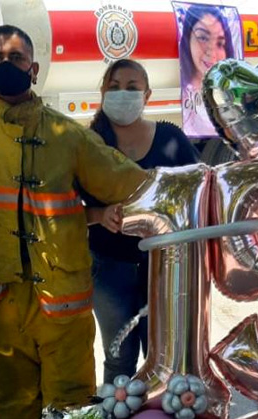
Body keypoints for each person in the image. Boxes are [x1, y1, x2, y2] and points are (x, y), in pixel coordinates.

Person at [0, 25, 148, 418]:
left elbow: (130, 182)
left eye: (16, 58)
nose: (6, 64)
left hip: (63, 300)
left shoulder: (67, 135)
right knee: (11, 407)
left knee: (73, 407)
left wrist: (200, 186)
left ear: (34, 69)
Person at [82, 59, 199, 383]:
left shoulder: (170, 139)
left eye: (132, 88)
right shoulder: (88, 146)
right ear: (103, 92)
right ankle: (117, 406)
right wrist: (99, 215)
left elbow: (198, 195)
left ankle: (158, 407)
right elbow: (64, 209)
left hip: (165, 269)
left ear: (147, 95)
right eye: (115, 87)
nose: (123, 93)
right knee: (118, 360)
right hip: (108, 270)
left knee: (163, 358)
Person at [179, 5, 234, 137]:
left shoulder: (228, 96)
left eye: (220, 44)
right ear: (187, 39)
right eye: (203, 38)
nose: (212, 52)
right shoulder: (184, 95)